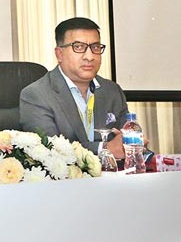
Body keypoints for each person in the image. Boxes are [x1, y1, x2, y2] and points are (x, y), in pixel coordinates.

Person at [19, 17, 131, 158]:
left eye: (95, 47)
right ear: (59, 54)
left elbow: (125, 140)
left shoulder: (112, 91)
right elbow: (49, 150)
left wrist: (134, 143)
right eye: (78, 47)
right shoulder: (37, 94)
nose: (89, 56)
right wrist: (104, 148)